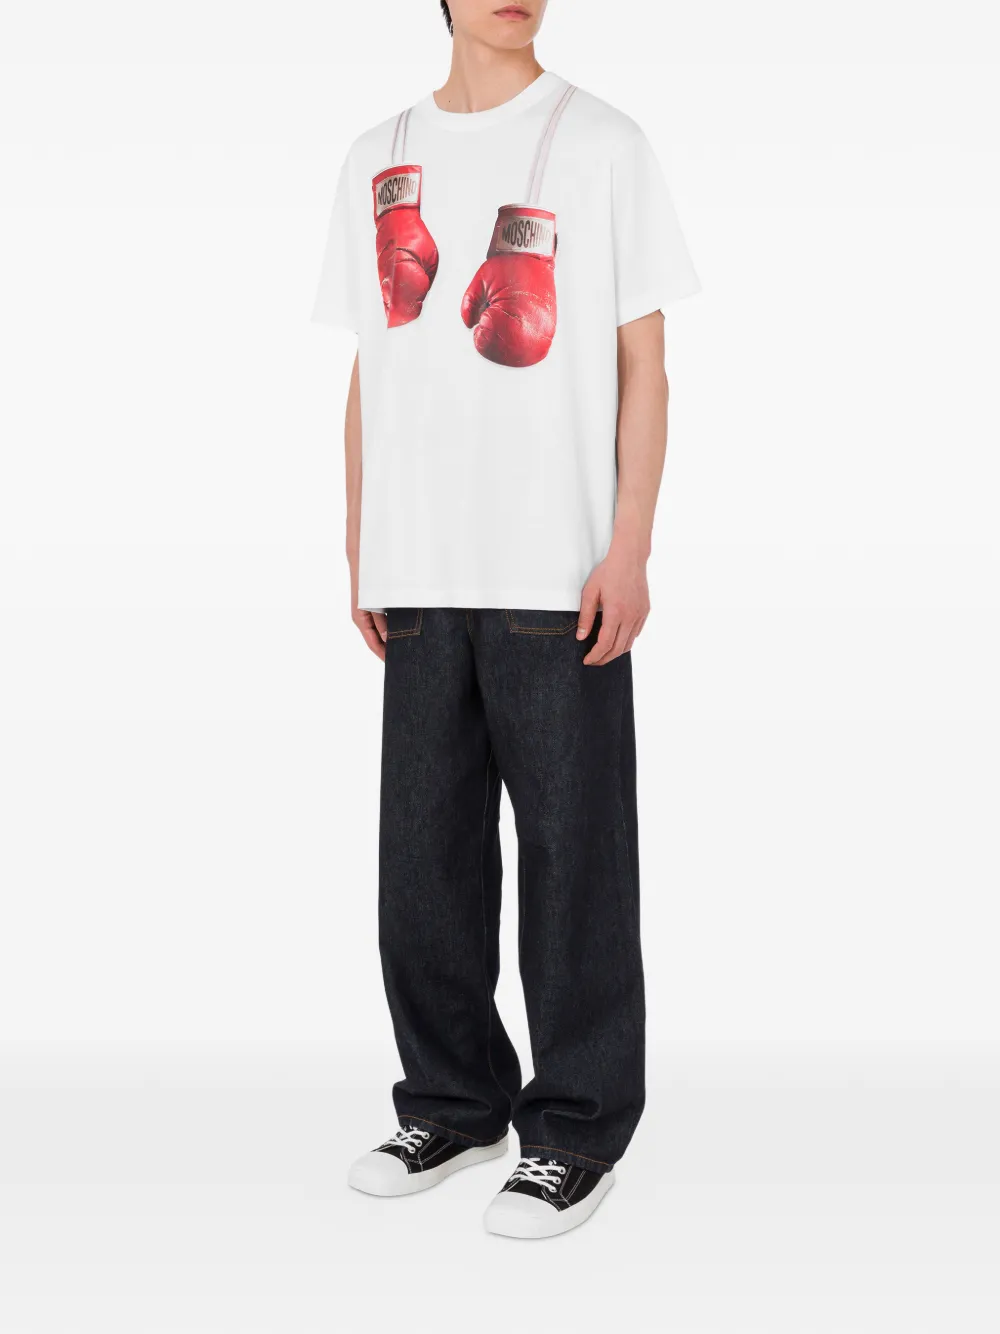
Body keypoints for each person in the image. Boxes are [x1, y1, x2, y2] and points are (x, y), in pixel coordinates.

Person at [313, 0, 698, 1239]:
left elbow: (644, 362)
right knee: (423, 860)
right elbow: (371, 366)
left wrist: (630, 542)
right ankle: (453, 1100)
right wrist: (362, 540)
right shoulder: (375, 155)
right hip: (420, 567)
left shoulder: (603, 142)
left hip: (556, 568)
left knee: (574, 859)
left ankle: (576, 1126)